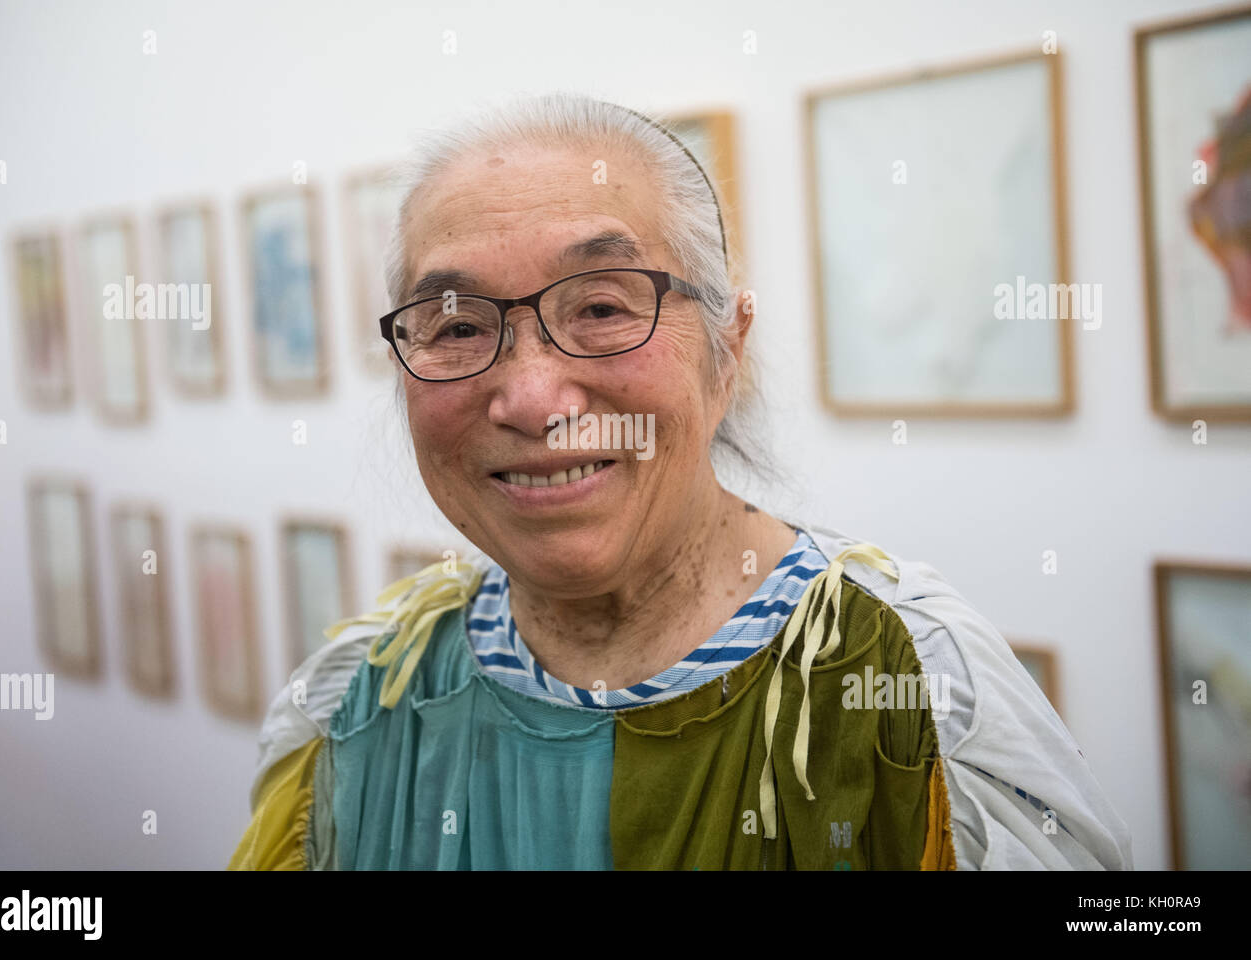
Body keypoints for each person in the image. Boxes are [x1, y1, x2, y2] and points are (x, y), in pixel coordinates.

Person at [228, 92, 1132, 870]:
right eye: (457, 326)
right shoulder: (360, 707)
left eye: (601, 307)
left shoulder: (907, 694)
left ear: (727, 348)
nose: (534, 397)